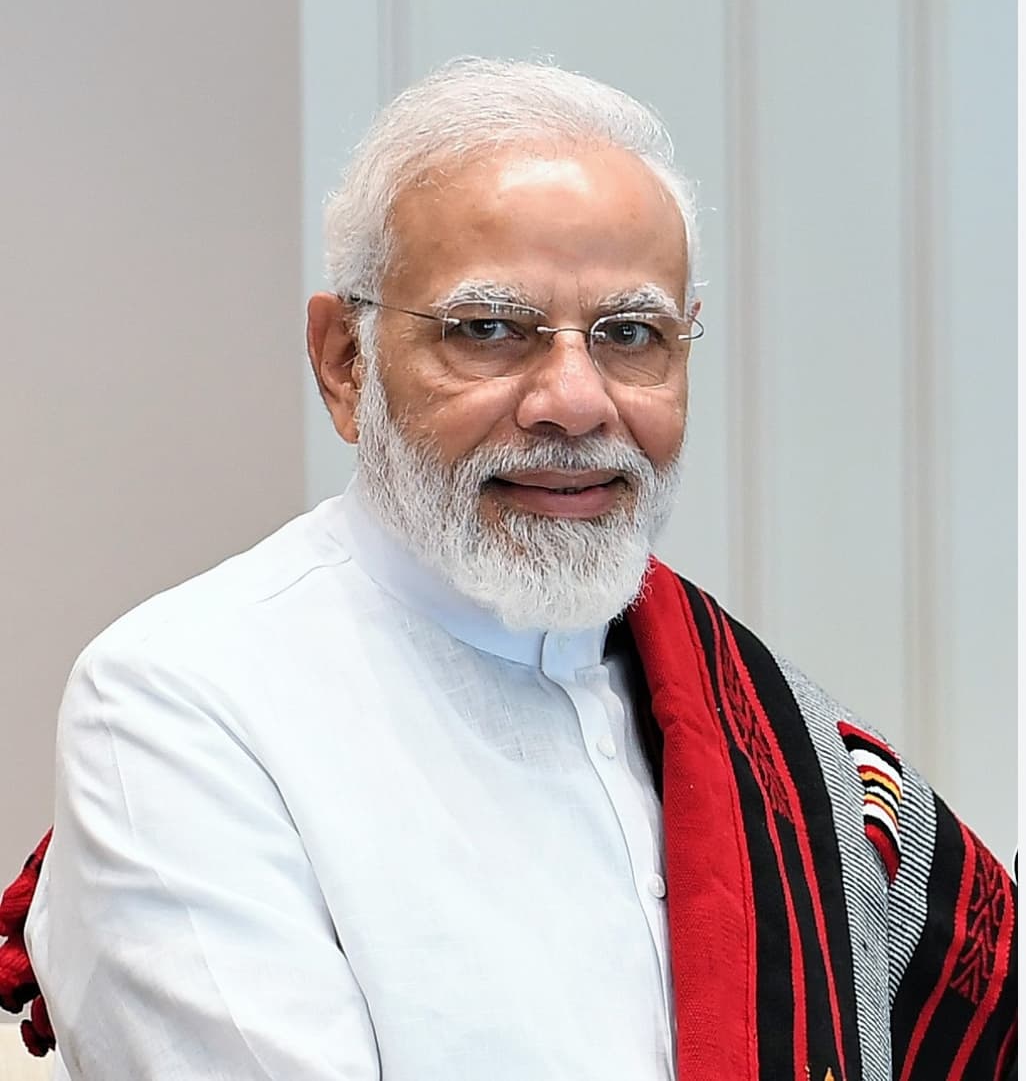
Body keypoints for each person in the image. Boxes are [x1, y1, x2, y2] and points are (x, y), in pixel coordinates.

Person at [0, 58, 1015, 1080]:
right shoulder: (185, 701)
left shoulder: (773, 737)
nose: (574, 402)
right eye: (487, 329)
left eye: (631, 334)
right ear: (345, 361)